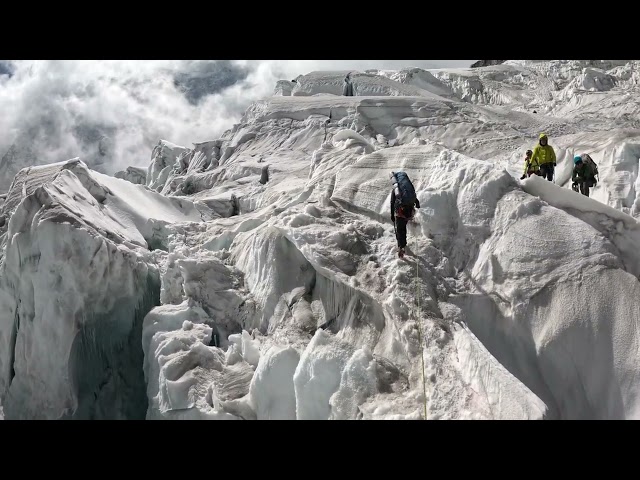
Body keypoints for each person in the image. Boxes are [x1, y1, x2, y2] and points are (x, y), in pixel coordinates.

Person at [390, 171, 420, 258]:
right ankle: (404, 244)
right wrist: (417, 204)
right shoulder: (407, 189)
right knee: (403, 227)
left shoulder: (396, 190)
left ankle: (401, 247)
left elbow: (392, 202)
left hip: (399, 213)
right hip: (408, 212)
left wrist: (392, 215)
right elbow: (414, 197)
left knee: (399, 230)